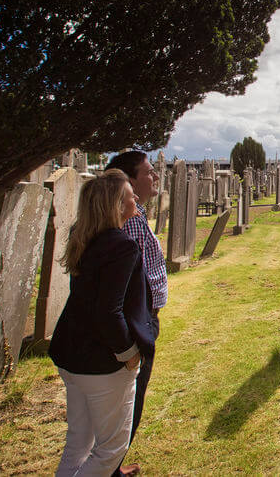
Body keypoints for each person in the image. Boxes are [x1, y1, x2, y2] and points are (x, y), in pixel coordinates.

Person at [50, 169, 155, 476]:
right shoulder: (121, 246)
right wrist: (129, 354)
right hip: (102, 362)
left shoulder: (83, 239)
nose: (135, 197)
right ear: (115, 205)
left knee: (79, 443)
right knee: (110, 450)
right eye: (128, 195)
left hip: (70, 352)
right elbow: (109, 311)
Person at [104, 151, 167, 476]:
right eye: (148, 172)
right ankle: (109, 467)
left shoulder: (136, 216)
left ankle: (113, 465)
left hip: (142, 317)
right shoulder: (127, 224)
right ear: (128, 181)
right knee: (128, 397)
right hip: (135, 322)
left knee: (130, 399)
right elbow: (123, 282)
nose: (155, 176)